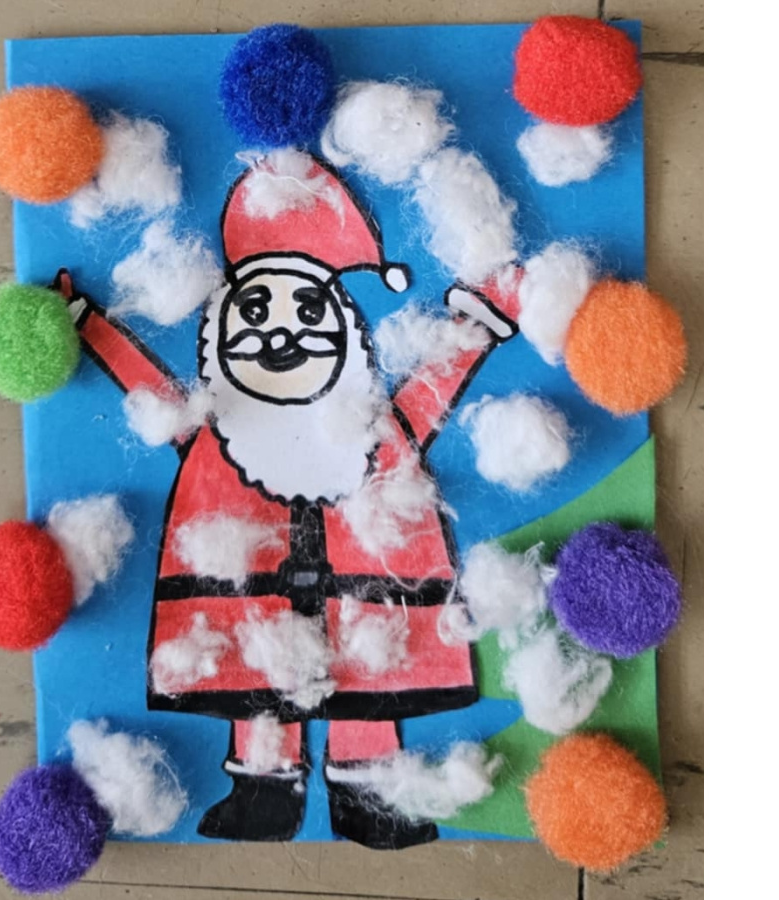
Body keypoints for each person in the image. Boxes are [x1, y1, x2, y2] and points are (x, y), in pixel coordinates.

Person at [66, 156, 519, 848]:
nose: (281, 335)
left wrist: (477, 325)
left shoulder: (377, 431)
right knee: (256, 676)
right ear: (224, 335)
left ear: (345, 335)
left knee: (370, 679)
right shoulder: (218, 432)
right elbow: (151, 391)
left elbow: (432, 387)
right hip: (256, 600)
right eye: (256, 312)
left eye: (307, 312)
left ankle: (368, 792)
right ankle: (264, 790)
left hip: (367, 600)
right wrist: (88, 326)